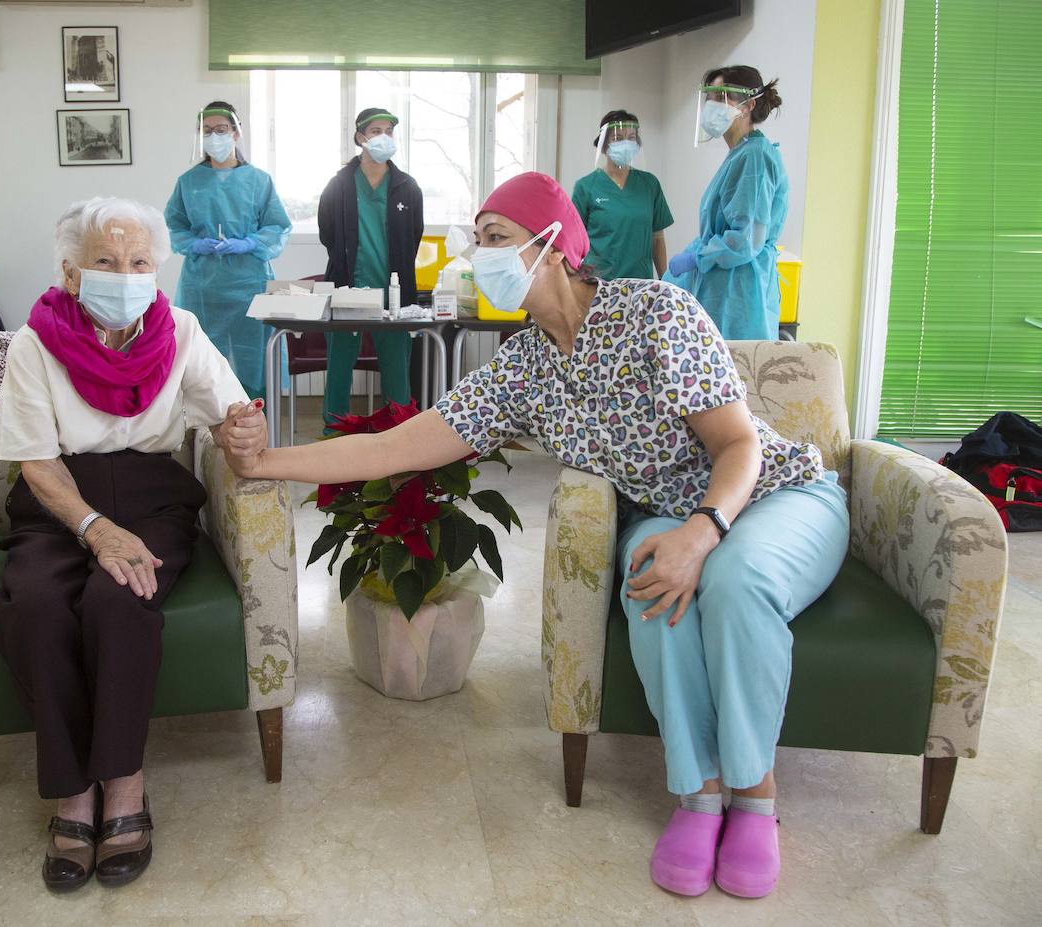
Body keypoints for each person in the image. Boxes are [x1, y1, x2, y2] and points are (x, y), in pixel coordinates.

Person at [221, 172, 848, 900]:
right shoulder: (522, 366)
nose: (477, 256)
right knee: (655, 600)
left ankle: (756, 796)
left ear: (553, 246)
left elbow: (738, 446)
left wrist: (703, 534)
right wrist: (268, 462)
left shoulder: (657, 311)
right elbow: (398, 447)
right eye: (475, 242)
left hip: (770, 493)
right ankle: (700, 794)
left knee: (735, 584)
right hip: (670, 513)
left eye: (495, 239)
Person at [0, 197, 260, 892]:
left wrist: (243, 431)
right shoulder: (33, 342)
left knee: (120, 599)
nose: (126, 274)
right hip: (56, 502)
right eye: (106, 262)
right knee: (34, 606)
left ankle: (125, 785)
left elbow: (229, 411)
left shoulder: (183, 330)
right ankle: (73, 794)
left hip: (151, 495)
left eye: (139, 262)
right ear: (74, 274)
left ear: (157, 269)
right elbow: (36, 463)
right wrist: (94, 528)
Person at [164, 101, 291, 398]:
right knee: (201, 358)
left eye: (221, 129)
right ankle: (206, 431)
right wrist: (194, 243)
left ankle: (256, 423)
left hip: (249, 282)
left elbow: (277, 227)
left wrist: (249, 242)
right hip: (202, 288)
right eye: (207, 131)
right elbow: (173, 227)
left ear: (236, 133)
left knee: (254, 357)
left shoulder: (259, 181)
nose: (215, 136)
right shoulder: (189, 182)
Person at [663, 67, 789, 340]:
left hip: (739, 294)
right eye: (710, 99)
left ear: (749, 104)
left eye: (722, 98)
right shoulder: (741, 154)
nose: (713, 106)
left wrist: (698, 257)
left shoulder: (754, 156)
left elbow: (746, 240)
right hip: (726, 290)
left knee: (735, 376)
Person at [317, 107, 424, 425]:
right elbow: (328, 233)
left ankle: (399, 431)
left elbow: (414, 236)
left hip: (394, 293)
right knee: (339, 366)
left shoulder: (407, 187)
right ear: (361, 137)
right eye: (376, 131)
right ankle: (333, 429)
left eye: (389, 131)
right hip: (347, 288)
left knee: (396, 369)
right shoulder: (339, 185)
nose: (383, 137)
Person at [570, 110, 673, 279]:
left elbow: (657, 238)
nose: (625, 143)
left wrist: (665, 280)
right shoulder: (586, 187)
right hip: (598, 285)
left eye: (631, 137)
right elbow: (573, 240)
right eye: (617, 138)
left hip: (640, 285)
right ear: (604, 145)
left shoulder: (649, 184)